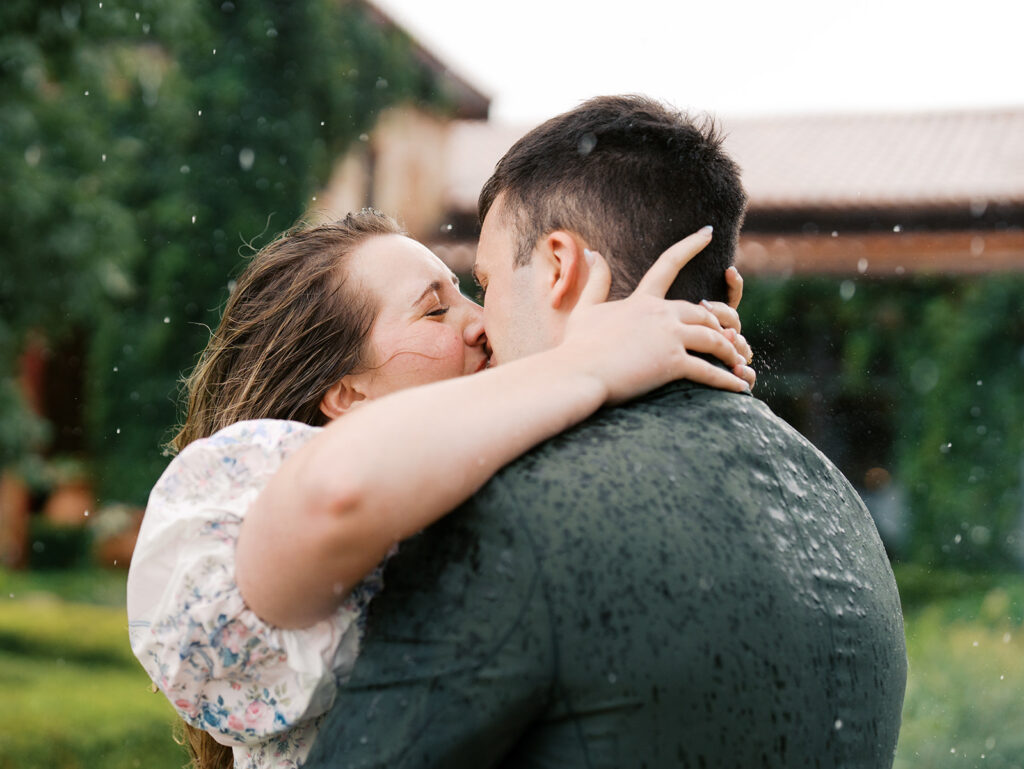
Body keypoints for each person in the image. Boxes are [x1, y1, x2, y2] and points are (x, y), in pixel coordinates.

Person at [304, 96, 908, 769]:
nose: (479, 324)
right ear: (727, 292)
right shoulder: (836, 506)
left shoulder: (516, 514)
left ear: (560, 266)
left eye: (489, 281)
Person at [127, 209, 755, 769]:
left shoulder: (504, 465)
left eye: (469, 295)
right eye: (435, 309)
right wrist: (584, 362)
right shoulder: (250, 491)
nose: (481, 322)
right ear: (346, 392)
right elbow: (336, 497)